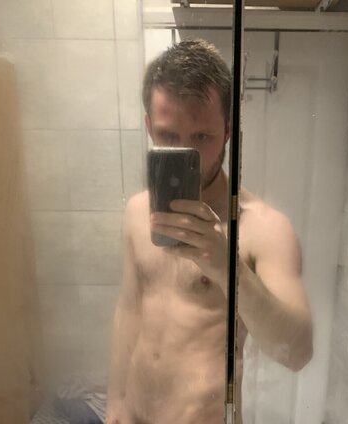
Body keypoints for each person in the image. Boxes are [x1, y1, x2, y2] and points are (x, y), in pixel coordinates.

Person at [106, 39, 313, 424]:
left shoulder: (264, 228)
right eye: (168, 136)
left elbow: (297, 352)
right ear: (149, 127)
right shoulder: (136, 212)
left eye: (202, 137)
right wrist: (115, 398)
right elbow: (129, 308)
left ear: (228, 131)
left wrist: (224, 264)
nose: (188, 153)